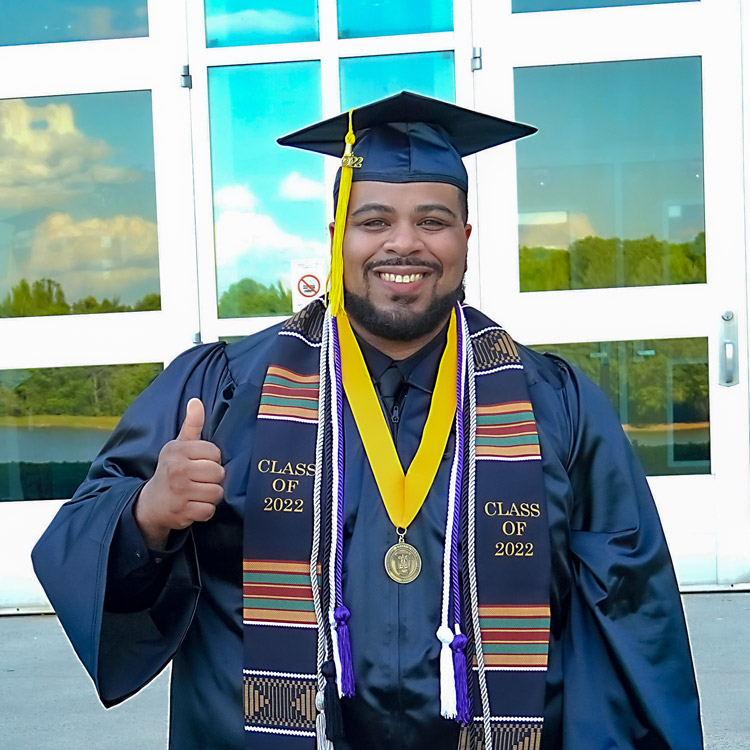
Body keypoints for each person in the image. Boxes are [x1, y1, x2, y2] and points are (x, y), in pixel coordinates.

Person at [32, 92, 703, 750]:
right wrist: (149, 513)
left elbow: (631, 619)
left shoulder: (552, 404)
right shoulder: (226, 390)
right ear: (336, 239)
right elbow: (82, 539)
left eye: (433, 221)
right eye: (374, 221)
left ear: (466, 240)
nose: (403, 244)